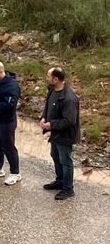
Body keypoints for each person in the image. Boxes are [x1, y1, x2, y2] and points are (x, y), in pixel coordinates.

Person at [39, 67, 80, 200]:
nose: (47, 78)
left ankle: (68, 189)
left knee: (65, 160)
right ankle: (60, 181)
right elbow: (48, 107)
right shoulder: (52, 90)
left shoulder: (69, 98)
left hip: (65, 135)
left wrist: (51, 125)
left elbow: (69, 121)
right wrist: (44, 117)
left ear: (55, 79)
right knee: (55, 156)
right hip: (56, 134)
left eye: (48, 76)